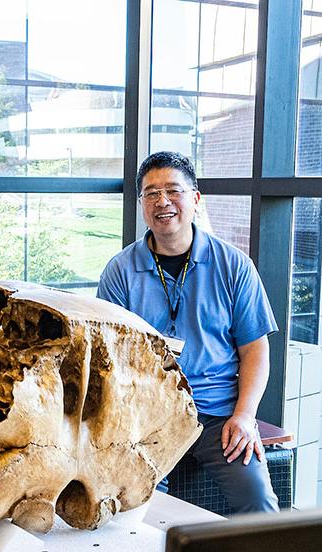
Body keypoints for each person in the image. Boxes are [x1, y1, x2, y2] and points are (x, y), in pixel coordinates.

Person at [97, 151, 279, 514]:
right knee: (136, 509)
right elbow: (109, 356)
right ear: (142, 205)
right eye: (151, 193)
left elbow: (256, 350)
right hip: (147, 418)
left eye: (173, 191)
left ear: (195, 198)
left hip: (217, 416)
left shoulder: (234, 266)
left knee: (259, 503)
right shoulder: (120, 272)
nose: (162, 201)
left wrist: (245, 416)